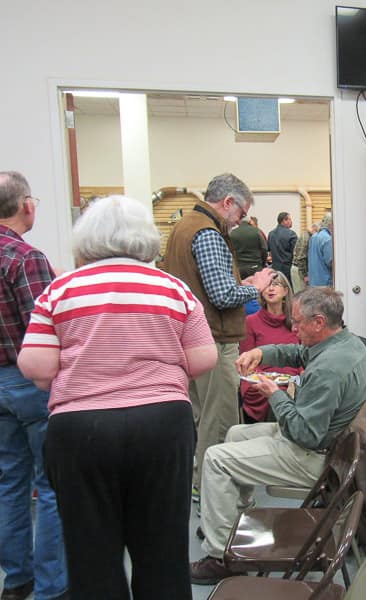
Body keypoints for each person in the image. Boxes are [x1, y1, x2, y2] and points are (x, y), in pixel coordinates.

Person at [18, 195, 218, 599]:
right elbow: (204, 358)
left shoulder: (60, 289)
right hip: (162, 425)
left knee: (92, 555)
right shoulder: (172, 288)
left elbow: (36, 366)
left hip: (81, 430)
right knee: (163, 549)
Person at [189, 287, 366, 584]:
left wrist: (275, 396)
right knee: (235, 434)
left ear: (319, 322)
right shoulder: (347, 343)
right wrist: (262, 352)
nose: (293, 328)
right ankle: (233, 522)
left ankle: (222, 558)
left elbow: (304, 435)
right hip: (325, 442)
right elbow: (301, 353)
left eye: (298, 322)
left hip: (316, 457)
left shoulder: (328, 369)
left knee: (215, 458)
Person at [162, 173, 272, 499]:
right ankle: (215, 492)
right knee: (221, 420)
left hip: (190, 339)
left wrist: (242, 283)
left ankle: (200, 483)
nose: (239, 221)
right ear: (227, 202)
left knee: (201, 417)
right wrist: (254, 287)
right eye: (241, 213)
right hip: (215, 341)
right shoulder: (208, 234)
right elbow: (222, 296)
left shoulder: (183, 227)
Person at [0, 171, 68, 600]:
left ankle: (17, 580)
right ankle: (52, 586)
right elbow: (46, 333)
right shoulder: (25, 258)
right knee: (51, 485)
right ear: (27, 205)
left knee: (10, 482)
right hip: (29, 384)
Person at [239, 271, 301, 423]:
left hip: (292, 380)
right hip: (259, 378)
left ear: (285, 291)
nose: (271, 289)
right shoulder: (251, 321)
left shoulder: (296, 322)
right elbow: (247, 360)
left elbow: (303, 356)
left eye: (276, 284)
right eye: (267, 285)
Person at [267, 211, 297, 288]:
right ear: (284, 220)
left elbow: (269, 250)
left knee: (278, 289)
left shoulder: (271, 234)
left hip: (275, 268)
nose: (291, 221)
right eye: (290, 219)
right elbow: (295, 252)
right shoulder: (291, 234)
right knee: (288, 289)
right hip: (287, 269)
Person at [291, 222, 318, 292]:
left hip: (299, 269)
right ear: (314, 230)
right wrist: (305, 275)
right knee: (301, 295)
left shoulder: (306, 235)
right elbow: (301, 258)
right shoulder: (306, 237)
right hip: (299, 270)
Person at [308, 212, 333, 287]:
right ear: (331, 224)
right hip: (325, 283)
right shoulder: (327, 239)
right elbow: (331, 262)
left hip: (313, 282)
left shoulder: (314, 237)